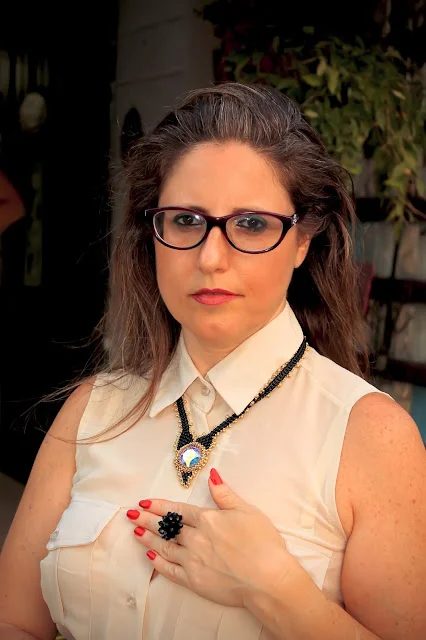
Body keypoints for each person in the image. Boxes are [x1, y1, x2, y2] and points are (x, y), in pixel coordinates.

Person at [0, 83, 425, 640]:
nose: (210, 258)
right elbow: (15, 621)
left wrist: (277, 589)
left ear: (302, 240)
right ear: (152, 233)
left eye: (251, 224)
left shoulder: (369, 436)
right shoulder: (92, 410)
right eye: (185, 220)